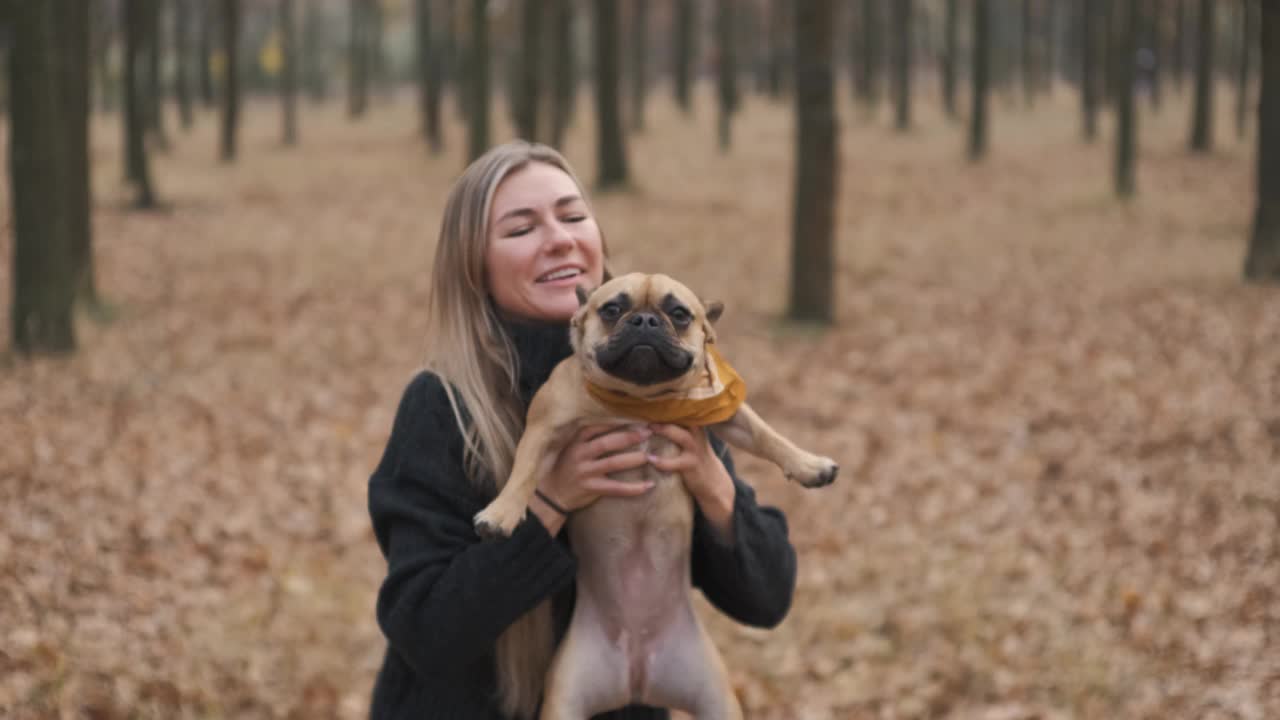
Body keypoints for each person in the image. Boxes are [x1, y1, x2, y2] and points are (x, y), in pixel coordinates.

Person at [367, 141, 798, 719]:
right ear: (475, 268)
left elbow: (767, 598)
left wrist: (710, 481)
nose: (560, 239)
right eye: (521, 229)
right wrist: (549, 503)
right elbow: (425, 632)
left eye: (573, 216)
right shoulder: (443, 406)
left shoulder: (669, 379)